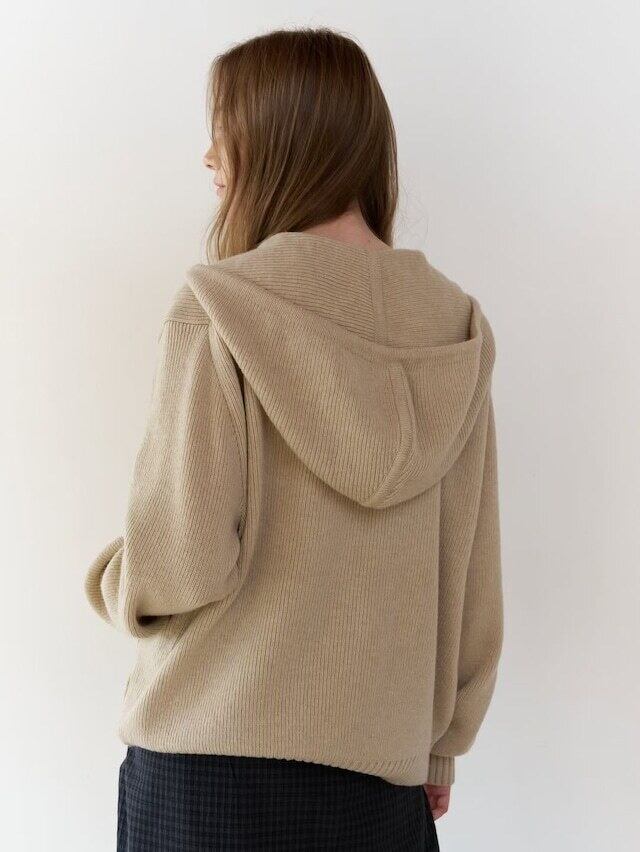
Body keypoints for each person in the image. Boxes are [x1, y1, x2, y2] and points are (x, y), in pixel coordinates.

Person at [84, 26, 504, 851]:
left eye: (224, 129)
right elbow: (470, 573)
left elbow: (181, 560)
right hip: (380, 784)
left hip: (208, 771)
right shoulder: (454, 327)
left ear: (278, 140)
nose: (210, 157)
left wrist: (111, 580)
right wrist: (440, 749)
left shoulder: (218, 307)